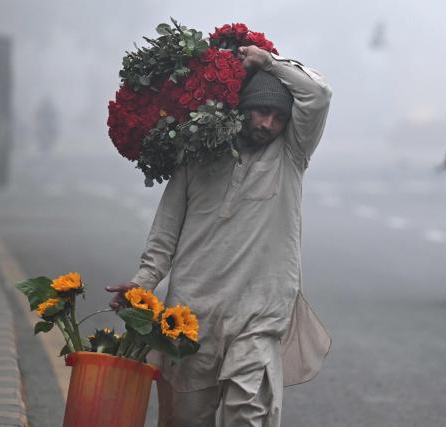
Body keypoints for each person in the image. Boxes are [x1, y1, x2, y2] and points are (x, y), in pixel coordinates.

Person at [106, 45, 332, 427]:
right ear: (241, 109)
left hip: (260, 313)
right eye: (262, 112)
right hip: (193, 314)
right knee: (186, 419)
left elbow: (318, 95)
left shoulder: (291, 156)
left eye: (279, 117)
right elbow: (166, 232)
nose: (269, 125)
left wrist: (270, 63)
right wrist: (143, 284)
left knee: (249, 416)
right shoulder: (198, 157)